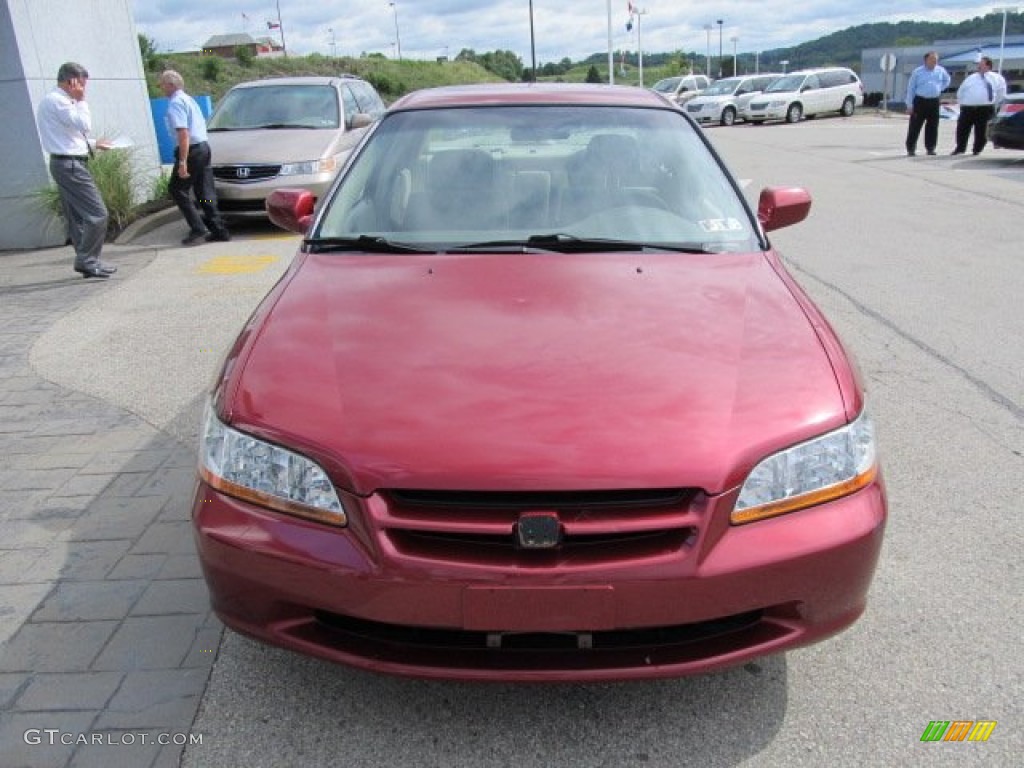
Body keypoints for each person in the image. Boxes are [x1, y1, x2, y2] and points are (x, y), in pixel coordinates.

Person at [36, 62, 117, 279]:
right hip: (70, 165)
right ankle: (87, 260)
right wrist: (81, 101)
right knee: (97, 213)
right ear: (72, 81)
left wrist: (92, 144)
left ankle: (88, 260)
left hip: (66, 162)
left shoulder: (56, 101)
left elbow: (65, 137)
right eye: (81, 84)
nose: (83, 89)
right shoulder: (60, 102)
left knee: (78, 217)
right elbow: (83, 124)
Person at [157, 70, 230, 244]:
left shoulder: (175, 103)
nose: (161, 88)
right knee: (204, 192)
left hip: (191, 151)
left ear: (170, 85)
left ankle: (198, 228)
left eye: (162, 84)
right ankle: (219, 229)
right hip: (203, 147)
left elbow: (183, 133)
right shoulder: (189, 100)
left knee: (177, 189)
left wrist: (182, 161)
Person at [951, 56, 1007, 156]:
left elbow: (1001, 93)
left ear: (988, 66)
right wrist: (962, 103)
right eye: (978, 64)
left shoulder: (997, 78)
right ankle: (960, 148)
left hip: (985, 108)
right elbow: (961, 91)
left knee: (982, 131)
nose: (979, 66)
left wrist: (995, 104)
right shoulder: (971, 78)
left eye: (981, 64)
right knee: (962, 129)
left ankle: (977, 149)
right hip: (968, 108)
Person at [904, 51, 951, 156]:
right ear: (926, 60)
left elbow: (947, 80)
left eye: (936, 60)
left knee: (933, 126)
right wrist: (909, 105)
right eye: (932, 59)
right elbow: (911, 88)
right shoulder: (918, 72)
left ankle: (931, 148)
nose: (934, 61)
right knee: (915, 126)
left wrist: (939, 88)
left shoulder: (940, 70)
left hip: (934, 101)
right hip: (920, 101)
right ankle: (911, 148)